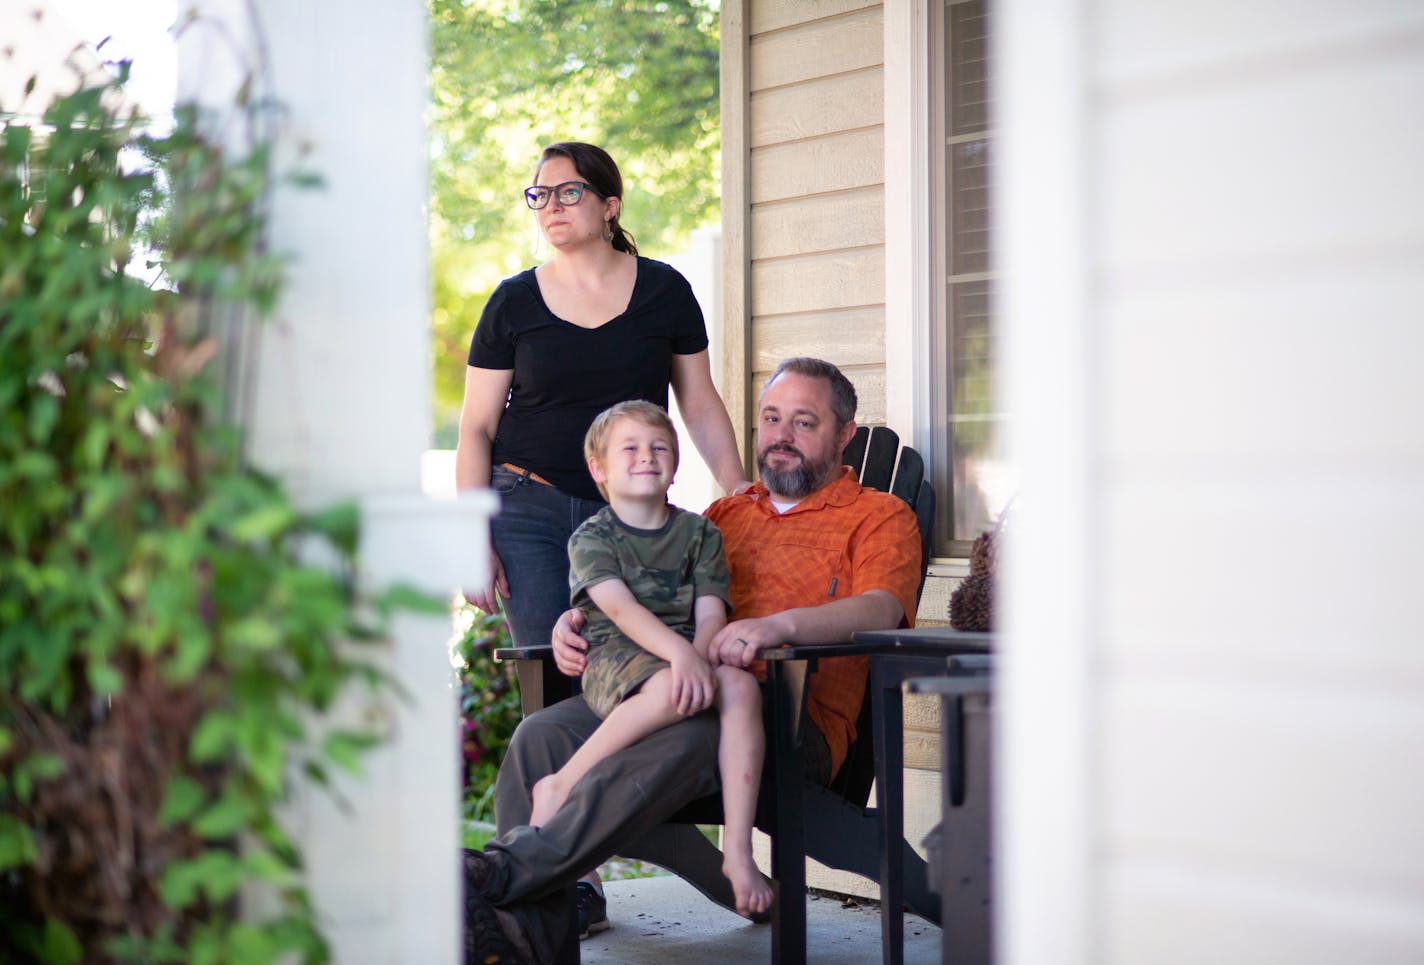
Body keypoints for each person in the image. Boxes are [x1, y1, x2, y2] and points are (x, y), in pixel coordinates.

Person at [462, 358, 923, 964]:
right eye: (771, 419)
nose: (781, 435)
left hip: (783, 721)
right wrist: (575, 621)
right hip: (677, 685)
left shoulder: (879, 515)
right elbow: (646, 593)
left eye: (804, 422)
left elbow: (882, 606)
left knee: (690, 734)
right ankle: (530, 938)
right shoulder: (726, 516)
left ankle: (496, 878)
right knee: (541, 735)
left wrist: (776, 628)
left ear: (844, 437)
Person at [456, 141, 749, 658]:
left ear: (609, 206)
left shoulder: (665, 292)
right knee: (554, 670)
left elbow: (699, 402)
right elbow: (476, 428)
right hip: (527, 510)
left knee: (635, 670)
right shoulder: (512, 302)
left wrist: (738, 490)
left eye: (569, 192)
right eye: (540, 195)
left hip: (630, 515)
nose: (551, 206)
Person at [526, 400, 772, 919]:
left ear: (675, 462)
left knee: (744, 688)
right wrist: (682, 657)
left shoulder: (700, 534)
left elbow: (711, 614)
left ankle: (738, 851)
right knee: (665, 688)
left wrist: (700, 659)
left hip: (689, 652)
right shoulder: (592, 537)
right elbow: (620, 609)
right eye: (630, 448)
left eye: (660, 446)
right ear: (600, 469)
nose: (646, 456)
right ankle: (561, 785)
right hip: (615, 654)